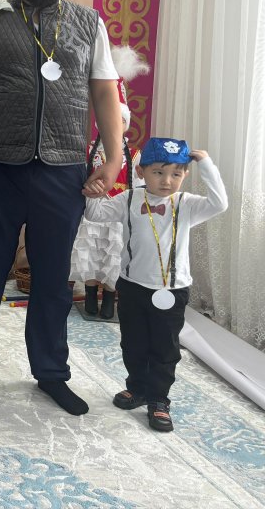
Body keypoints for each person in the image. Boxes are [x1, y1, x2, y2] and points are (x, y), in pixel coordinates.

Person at [0, 0, 122, 415]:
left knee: (51, 280)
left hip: (63, 170)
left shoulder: (89, 22)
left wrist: (112, 158)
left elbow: (104, 90)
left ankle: (51, 373)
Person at [84, 139, 227, 432]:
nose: (167, 181)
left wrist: (207, 165)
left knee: (165, 348)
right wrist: (93, 193)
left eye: (176, 174)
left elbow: (219, 203)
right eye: (159, 172)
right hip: (132, 286)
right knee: (133, 342)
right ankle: (137, 388)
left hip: (172, 291)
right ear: (142, 171)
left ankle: (159, 399)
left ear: (185, 175)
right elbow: (95, 215)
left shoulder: (187, 204)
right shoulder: (128, 199)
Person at [71, 46, 148, 319]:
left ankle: (109, 300)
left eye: (121, 121)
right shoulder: (89, 150)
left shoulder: (135, 155)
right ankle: (90, 296)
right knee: (91, 254)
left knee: (113, 256)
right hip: (93, 213)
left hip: (118, 214)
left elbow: (140, 185)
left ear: (126, 124)